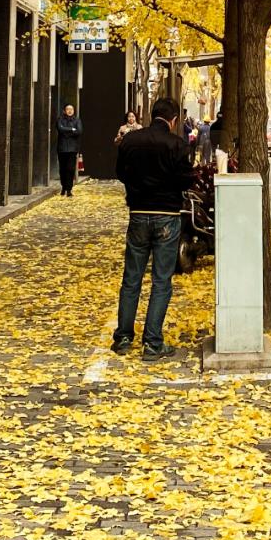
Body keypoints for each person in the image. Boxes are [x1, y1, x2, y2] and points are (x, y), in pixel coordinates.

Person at [112, 97, 192, 359]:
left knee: (131, 278)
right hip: (167, 214)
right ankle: (153, 343)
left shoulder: (130, 141)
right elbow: (185, 180)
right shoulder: (177, 145)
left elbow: (121, 173)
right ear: (174, 120)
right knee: (161, 281)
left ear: (150, 115)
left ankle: (123, 338)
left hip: (138, 213)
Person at [56, 102, 82, 196]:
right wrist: (72, 129)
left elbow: (79, 131)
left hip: (72, 148)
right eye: (68, 109)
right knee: (62, 169)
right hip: (62, 148)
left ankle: (69, 189)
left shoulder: (77, 120)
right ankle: (63, 187)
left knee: (70, 169)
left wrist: (66, 130)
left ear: (74, 111)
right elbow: (60, 129)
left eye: (71, 109)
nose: (70, 111)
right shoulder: (60, 119)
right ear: (64, 111)